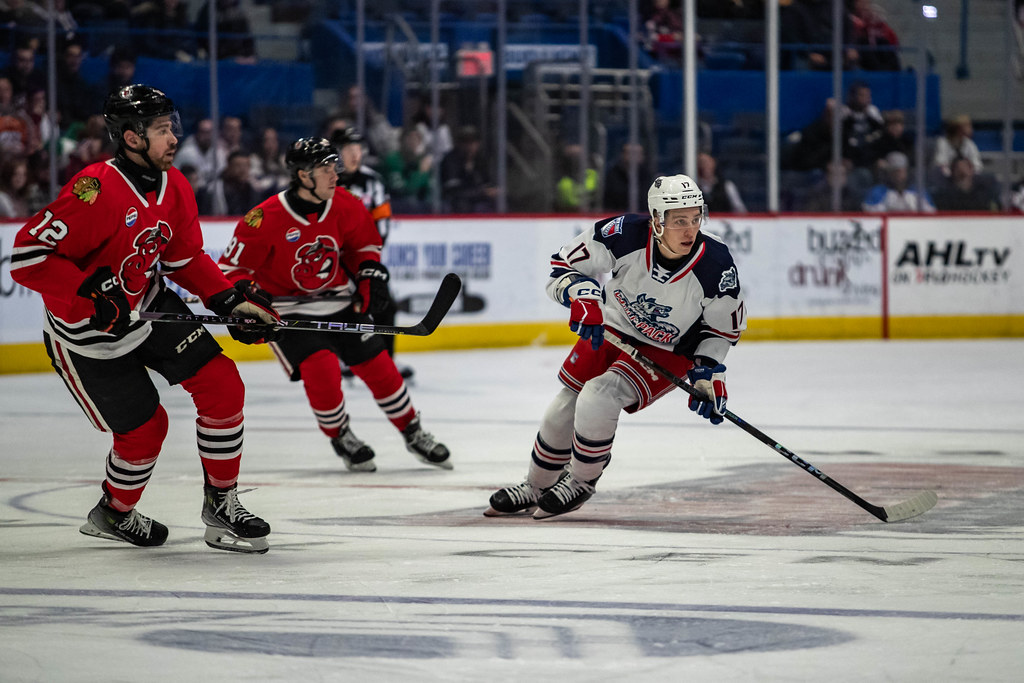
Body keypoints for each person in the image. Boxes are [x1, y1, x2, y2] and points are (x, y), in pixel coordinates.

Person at [9, 84, 280, 552]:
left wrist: (228, 300)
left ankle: (221, 503)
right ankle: (113, 512)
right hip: (88, 335)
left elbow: (184, 257)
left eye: (171, 127)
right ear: (131, 137)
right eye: (161, 130)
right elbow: (29, 256)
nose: (173, 137)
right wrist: (88, 292)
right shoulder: (95, 190)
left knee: (223, 385)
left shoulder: (175, 184)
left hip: (148, 306)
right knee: (146, 431)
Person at [485, 174, 745, 519]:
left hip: (668, 349)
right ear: (656, 220)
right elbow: (562, 267)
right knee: (563, 407)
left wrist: (707, 372)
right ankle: (536, 486)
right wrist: (582, 296)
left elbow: (721, 330)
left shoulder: (716, 266)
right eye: (679, 220)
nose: (690, 230)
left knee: (600, 395)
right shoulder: (623, 234)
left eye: (696, 218)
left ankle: (580, 481)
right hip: (613, 330)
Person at [217, 137, 451, 472]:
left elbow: (363, 247)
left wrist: (369, 274)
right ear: (302, 175)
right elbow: (232, 269)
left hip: (340, 302)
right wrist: (246, 294)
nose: (334, 175)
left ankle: (413, 432)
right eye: (324, 168)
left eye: (333, 166)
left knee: (381, 368)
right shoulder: (264, 217)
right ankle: (340, 435)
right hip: (290, 313)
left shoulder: (346, 203)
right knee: (322, 370)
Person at [330, 125, 413, 380]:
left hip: (363, 258)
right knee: (336, 306)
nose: (355, 154)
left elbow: (382, 222)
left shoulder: (372, 181)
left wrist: (369, 256)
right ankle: (343, 358)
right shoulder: (327, 179)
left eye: (358, 149)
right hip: (329, 261)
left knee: (383, 304)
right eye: (348, 149)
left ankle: (387, 359)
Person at [440, 124, 497, 214]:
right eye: (466, 142)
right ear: (459, 144)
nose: (470, 146)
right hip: (456, 200)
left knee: (500, 201)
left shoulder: (480, 160)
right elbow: (453, 190)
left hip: (478, 198)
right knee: (462, 204)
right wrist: (480, 192)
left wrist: (491, 190)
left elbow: (487, 181)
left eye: (473, 142)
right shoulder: (450, 160)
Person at [862, 151, 935, 213]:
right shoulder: (877, 191)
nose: (898, 175)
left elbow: (933, 211)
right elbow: (866, 210)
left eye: (901, 171)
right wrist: (884, 205)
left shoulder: (917, 191)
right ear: (888, 173)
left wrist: (918, 205)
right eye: (894, 171)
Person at [197, 149, 260, 215]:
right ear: (229, 167)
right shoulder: (215, 191)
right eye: (238, 165)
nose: (243, 170)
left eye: (246, 165)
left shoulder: (253, 193)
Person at [932, 156, 1000, 212]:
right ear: (953, 172)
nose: (961, 171)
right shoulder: (946, 195)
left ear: (971, 170)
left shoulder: (983, 192)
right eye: (958, 168)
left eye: (964, 167)